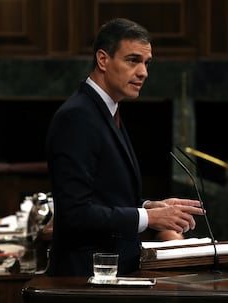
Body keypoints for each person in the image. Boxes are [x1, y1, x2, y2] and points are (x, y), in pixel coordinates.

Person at [45, 18, 204, 277]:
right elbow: (74, 214)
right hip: (85, 278)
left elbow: (105, 197)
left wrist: (150, 206)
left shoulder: (105, 111)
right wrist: (146, 219)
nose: (143, 72)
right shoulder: (76, 117)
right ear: (103, 60)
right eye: (133, 60)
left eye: (146, 63)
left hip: (112, 271)